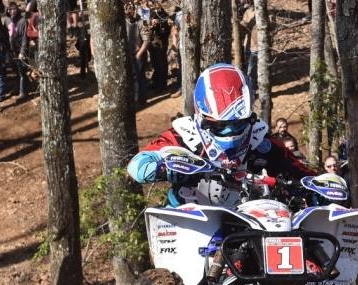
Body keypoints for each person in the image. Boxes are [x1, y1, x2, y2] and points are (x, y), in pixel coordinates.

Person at [127, 64, 314, 207]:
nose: (230, 132)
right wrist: (164, 166)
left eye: (237, 124)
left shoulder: (260, 139)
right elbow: (137, 165)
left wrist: (318, 190)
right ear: (203, 118)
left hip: (247, 224)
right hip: (188, 220)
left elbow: (303, 173)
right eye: (220, 126)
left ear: (249, 117)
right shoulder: (184, 135)